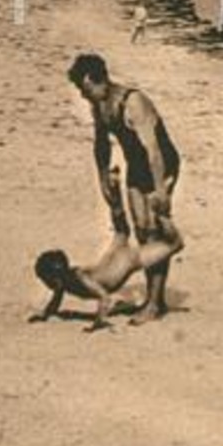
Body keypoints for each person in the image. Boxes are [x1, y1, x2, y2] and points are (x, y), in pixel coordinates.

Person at [67, 53, 183, 324]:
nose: (83, 97)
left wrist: (160, 191)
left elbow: (154, 151)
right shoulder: (100, 104)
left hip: (161, 166)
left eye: (85, 90)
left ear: (94, 80)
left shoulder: (133, 102)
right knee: (142, 230)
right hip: (137, 167)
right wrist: (102, 178)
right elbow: (101, 144)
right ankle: (153, 300)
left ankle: (155, 304)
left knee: (155, 230)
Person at [28, 233, 182, 332]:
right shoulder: (62, 282)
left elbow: (105, 297)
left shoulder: (78, 278)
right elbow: (55, 300)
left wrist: (98, 322)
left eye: (45, 281)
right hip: (114, 265)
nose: (46, 285)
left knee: (172, 247)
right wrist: (45, 315)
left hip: (122, 266)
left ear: (54, 279)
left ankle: (172, 238)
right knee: (160, 249)